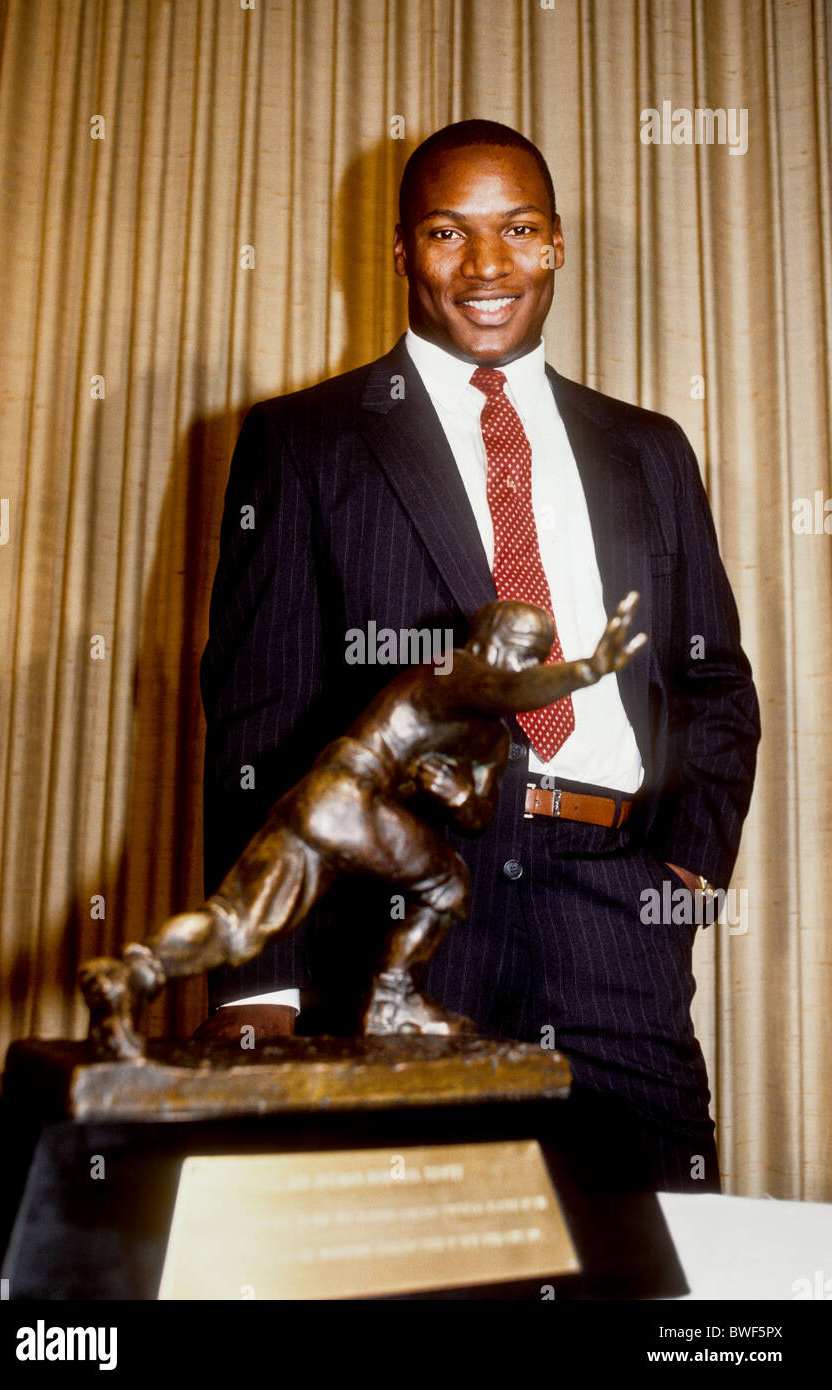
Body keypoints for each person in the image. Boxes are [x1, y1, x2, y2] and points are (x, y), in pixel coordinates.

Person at [198, 120, 760, 1190]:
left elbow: (709, 683)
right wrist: (256, 982)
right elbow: (259, 723)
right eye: (448, 233)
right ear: (402, 250)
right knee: (407, 1261)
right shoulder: (305, 441)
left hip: (612, 917)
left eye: (518, 230)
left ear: (553, 246)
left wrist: (677, 881)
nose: (486, 265)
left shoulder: (647, 449)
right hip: (393, 926)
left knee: (654, 1253)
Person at [79, 595, 644, 1059]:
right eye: (522, 654)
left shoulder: (493, 739)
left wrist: (455, 793)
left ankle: (130, 975)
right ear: (488, 641)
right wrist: (588, 671)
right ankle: (393, 1000)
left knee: (239, 924)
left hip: (328, 806)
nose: (528, 668)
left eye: (539, 657)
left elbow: (479, 816)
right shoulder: (450, 669)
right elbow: (505, 687)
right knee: (447, 884)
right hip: (346, 791)